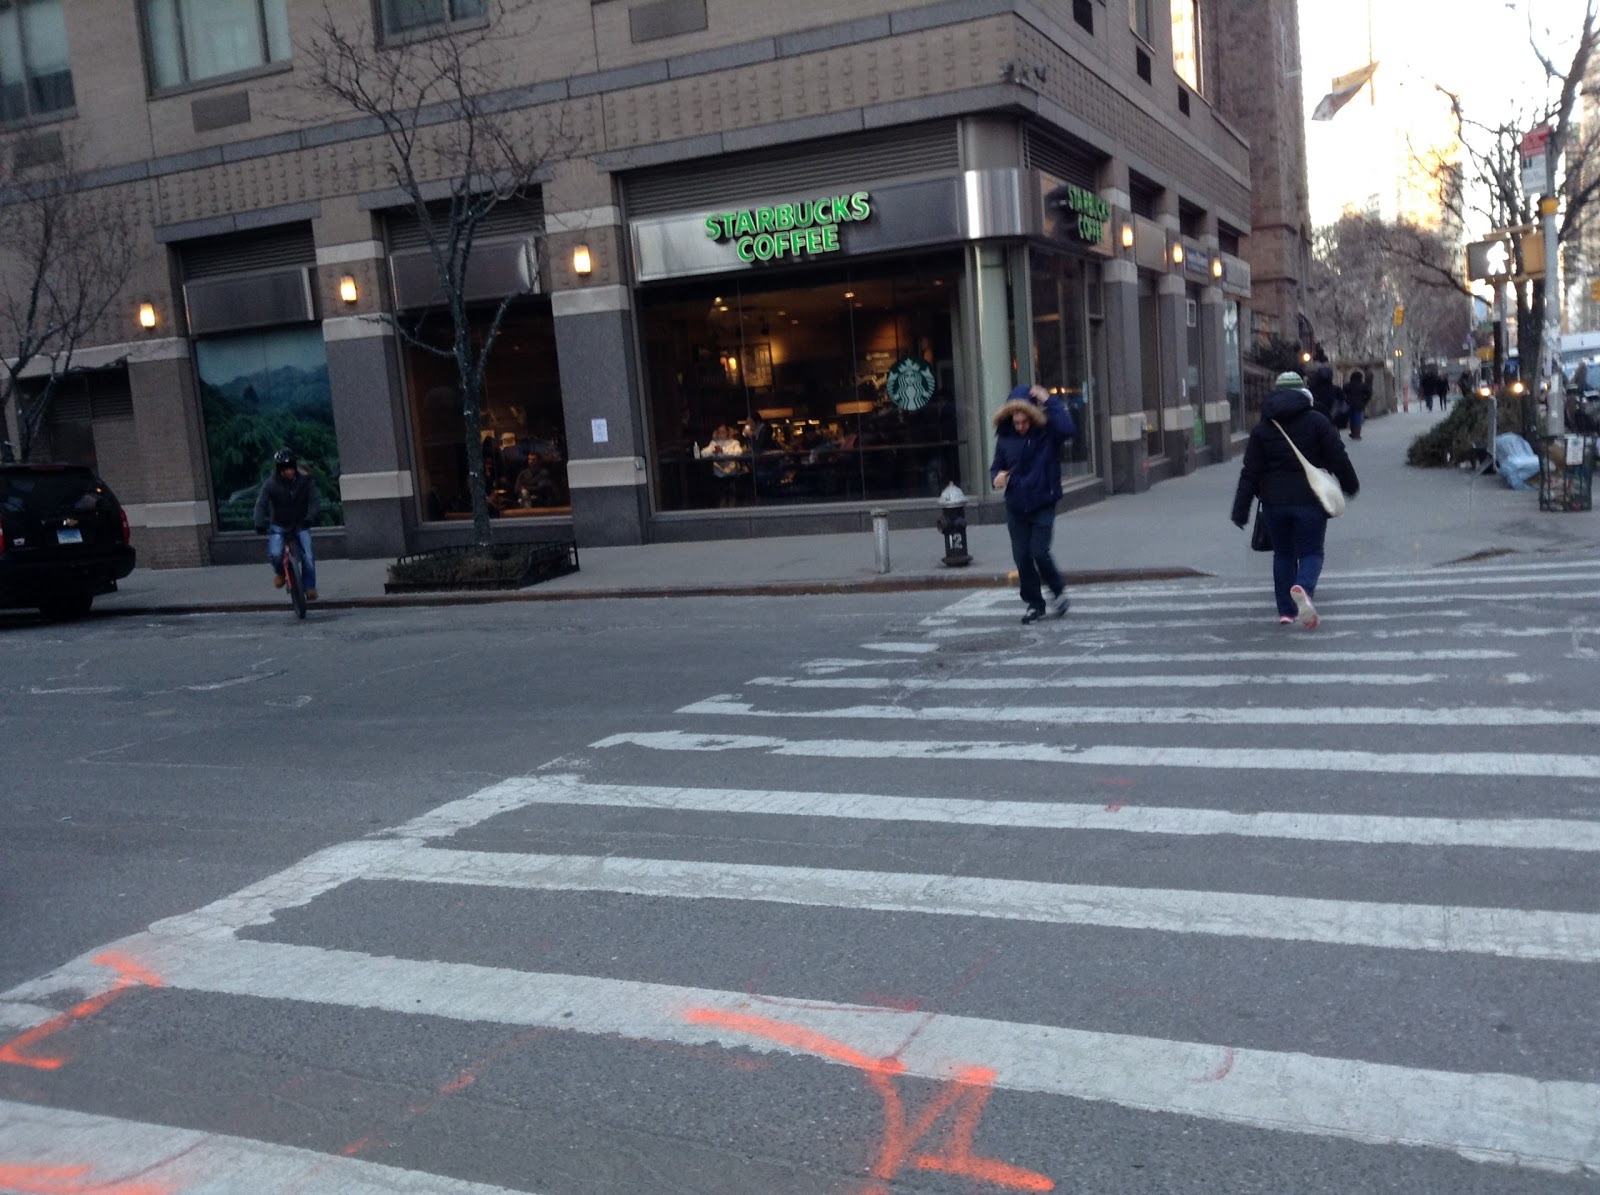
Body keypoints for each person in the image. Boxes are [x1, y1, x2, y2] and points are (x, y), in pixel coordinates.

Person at [1230, 372, 1359, 629]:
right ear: (1303, 393)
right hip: (1310, 500)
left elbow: (1250, 471)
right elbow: (1337, 457)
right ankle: (1304, 588)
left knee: (1283, 554)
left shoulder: (1263, 428)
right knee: (1312, 551)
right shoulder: (1317, 422)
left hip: (1273, 504)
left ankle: (1286, 612)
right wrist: (1350, 485)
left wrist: (1241, 509)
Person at [990, 383, 1075, 624]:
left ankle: (1058, 591)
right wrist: (996, 477)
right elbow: (997, 466)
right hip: (1017, 505)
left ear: (1033, 417)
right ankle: (1034, 604)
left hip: (1043, 501)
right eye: (1016, 422)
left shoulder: (1048, 434)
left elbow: (1068, 429)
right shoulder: (1005, 439)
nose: (1020, 427)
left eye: (1024, 422)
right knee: (1022, 558)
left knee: (1039, 551)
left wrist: (1049, 400)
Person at [253, 448, 321, 601]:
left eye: (291, 468)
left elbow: (314, 502)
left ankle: (309, 587)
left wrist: (310, 517)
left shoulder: (305, 482)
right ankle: (280, 572)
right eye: (285, 469)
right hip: (280, 524)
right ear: (279, 470)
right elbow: (261, 504)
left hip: (300, 523)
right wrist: (259, 522)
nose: (289, 472)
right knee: (276, 553)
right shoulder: (271, 484)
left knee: (308, 556)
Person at [1343, 369, 1371, 440]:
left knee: (1352, 419)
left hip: (1350, 403)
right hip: (1359, 404)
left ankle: (1353, 433)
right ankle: (1357, 434)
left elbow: (1343, 393)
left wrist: (1346, 400)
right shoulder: (1363, 385)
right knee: (1357, 419)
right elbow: (1368, 394)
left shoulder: (1348, 385)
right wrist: (1365, 401)